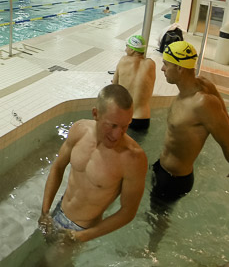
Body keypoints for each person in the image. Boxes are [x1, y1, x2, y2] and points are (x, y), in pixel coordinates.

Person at [39, 84, 147, 243]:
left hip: (81, 229)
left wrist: (82, 236)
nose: (118, 134)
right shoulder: (79, 130)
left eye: (125, 126)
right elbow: (58, 167)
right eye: (113, 125)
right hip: (58, 210)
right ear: (96, 114)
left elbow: (128, 212)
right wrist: (45, 211)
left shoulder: (133, 159)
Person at [155, 41, 229, 201]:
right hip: (162, 167)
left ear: (180, 68)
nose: (162, 69)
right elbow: (224, 112)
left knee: (157, 224)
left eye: (166, 64)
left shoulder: (203, 103)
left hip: (174, 179)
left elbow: (226, 136)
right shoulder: (203, 83)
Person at [112, 35, 156, 132]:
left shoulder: (123, 60)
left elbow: (114, 86)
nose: (125, 49)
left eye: (127, 46)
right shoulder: (151, 64)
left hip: (125, 116)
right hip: (143, 118)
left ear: (132, 50)